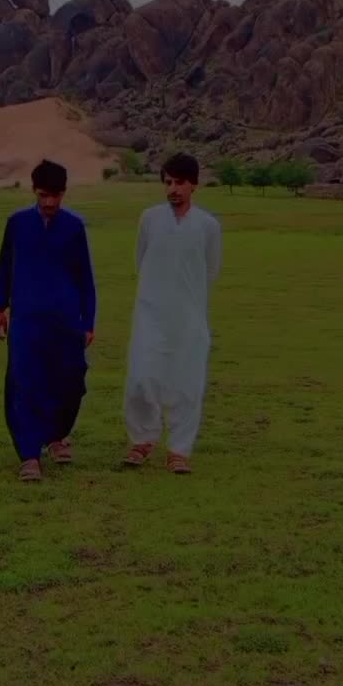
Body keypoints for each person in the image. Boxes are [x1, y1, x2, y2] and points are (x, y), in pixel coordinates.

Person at [0, 159, 96, 481]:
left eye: (56, 195)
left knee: (71, 380)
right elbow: (5, 266)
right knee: (25, 382)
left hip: (66, 319)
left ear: (64, 193)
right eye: (43, 195)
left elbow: (85, 278)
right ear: (34, 190)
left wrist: (88, 321)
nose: (49, 202)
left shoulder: (74, 227)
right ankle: (29, 455)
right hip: (27, 319)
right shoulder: (17, 223)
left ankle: (56, 436)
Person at [123, 153, 222, 474]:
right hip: (150, 313)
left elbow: (210, 270)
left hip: (189, 317)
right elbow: (141, 261)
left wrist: (188, 300)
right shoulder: (150, 219)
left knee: (187, 382)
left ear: (194, 185)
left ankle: (179, 450)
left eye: (180, 182)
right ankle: (142, 439)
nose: (173, 189)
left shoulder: (207, 225)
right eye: (168, 182)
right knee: (141, 377)